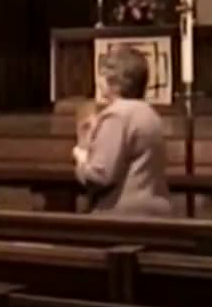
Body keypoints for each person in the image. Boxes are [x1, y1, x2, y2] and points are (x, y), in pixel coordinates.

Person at [73, 47, 172, 217]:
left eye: (101, 75)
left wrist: (80, 157)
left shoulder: (117, 115)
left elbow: (99, 177)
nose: (98, 81)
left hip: (121, 216)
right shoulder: (150, 113)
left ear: (112, 80)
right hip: (153, 213)